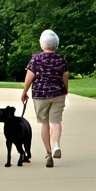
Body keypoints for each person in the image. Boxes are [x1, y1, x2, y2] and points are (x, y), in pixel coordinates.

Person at [21, 29, 69, 168]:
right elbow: (64, 76)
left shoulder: (36, 59)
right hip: (58, 93)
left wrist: (24, 92)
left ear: (42, 44)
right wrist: (66, 90)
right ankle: (56, 145)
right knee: (56, 121)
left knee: (45, 123)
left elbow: (29, 77)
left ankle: (48, 153)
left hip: (40, 95)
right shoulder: (61, 59)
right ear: (56, 44)